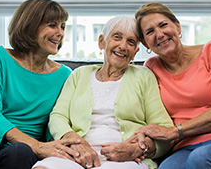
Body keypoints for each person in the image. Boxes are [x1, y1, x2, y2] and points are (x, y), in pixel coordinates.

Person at [128, 2, 211, 169]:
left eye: (163, 25)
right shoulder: (151, 68)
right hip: (185, 148)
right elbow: (148, 115)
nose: (160, 34)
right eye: (150, 32)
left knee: (201, 158)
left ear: (177, 27)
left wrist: (175, 131)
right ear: (144, 43)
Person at [32, 16, 174, 169]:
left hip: (125, 160)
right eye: (117, 37)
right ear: (102, 42)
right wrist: (73, 141)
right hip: (77, 154)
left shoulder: (144, 76)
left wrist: (139, 148)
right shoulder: (79, 75)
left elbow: (164, 129)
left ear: (135, 53)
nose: (123, 46)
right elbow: (58, 116)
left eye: (130, 42)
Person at [0, 0, 78, 169]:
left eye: (63, 26)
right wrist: (37, 146)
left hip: (25, 146)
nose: (60, 33)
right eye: (52, 25)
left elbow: (56, 119)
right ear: (31, 26)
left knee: (20, 152)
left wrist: (53, 145)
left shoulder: (65, 74)